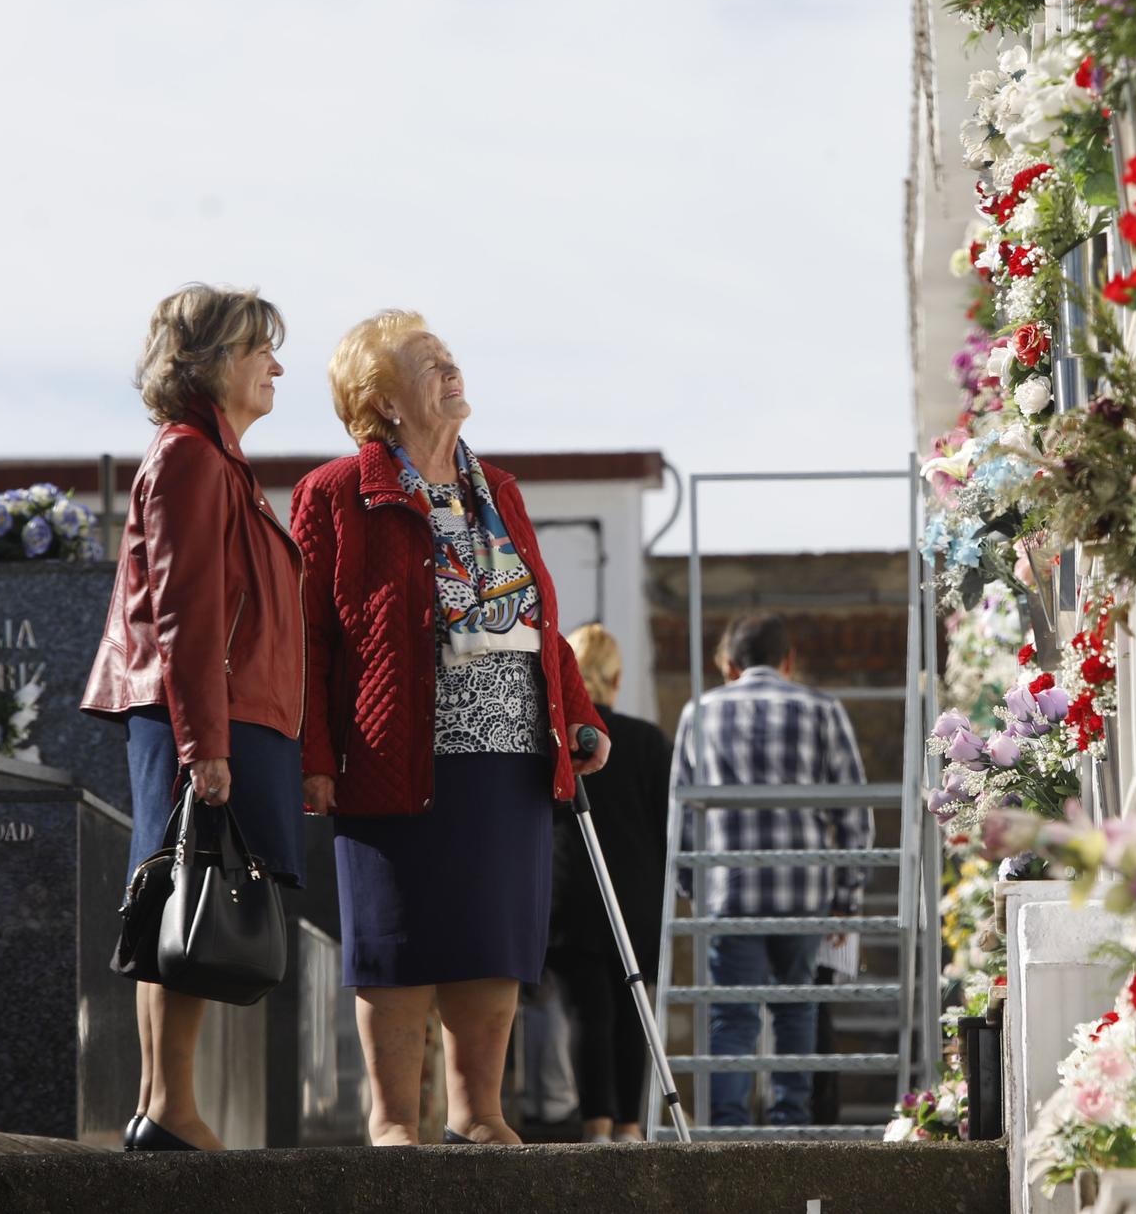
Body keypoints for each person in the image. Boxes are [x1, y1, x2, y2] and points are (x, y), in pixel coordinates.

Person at [290, 309, 610, 1146]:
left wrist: (578, 713)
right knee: (395, 937)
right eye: (427, 362)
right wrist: (314, 755)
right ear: (383, 399)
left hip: (509, 755)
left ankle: (480, 1114)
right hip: (397, 751)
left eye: (450, 356)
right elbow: (309, 637)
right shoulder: (334, 494)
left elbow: (538, 615)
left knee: (492, 936)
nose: (450, 369)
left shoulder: (497, 489)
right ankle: (395, 1119)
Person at [82, 284, 306, 1153]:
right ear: (214, 361)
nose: (276, 365)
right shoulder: (188, 456)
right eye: (261, 350)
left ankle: (163, 1102)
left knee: (189, 897)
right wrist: (204, 744)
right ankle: (170, 1105)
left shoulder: (216, 461)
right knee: (185, 891)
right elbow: (185, 612)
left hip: (224, 714)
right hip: (204, 714)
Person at [673, 612, 874, 1129]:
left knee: (732, 1016)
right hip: (802, 888)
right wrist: (846, 896)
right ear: (788, 660)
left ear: (731, 664)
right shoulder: (821, 710)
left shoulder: (701, 711)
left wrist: (695, 888)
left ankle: (727, 1131)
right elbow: (853, 812)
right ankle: (790, 1125)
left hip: (730, 889)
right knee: (796, 1009)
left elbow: (682, 814)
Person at [547, 623, 672, 1142]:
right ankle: (630, 1127)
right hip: (636, 897)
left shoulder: (556, 741)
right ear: (617, 677)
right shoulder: (645, 740)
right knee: (633, 1011)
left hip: (571, 892)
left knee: (586, 1014)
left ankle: (595, 1125)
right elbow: (670, 826)